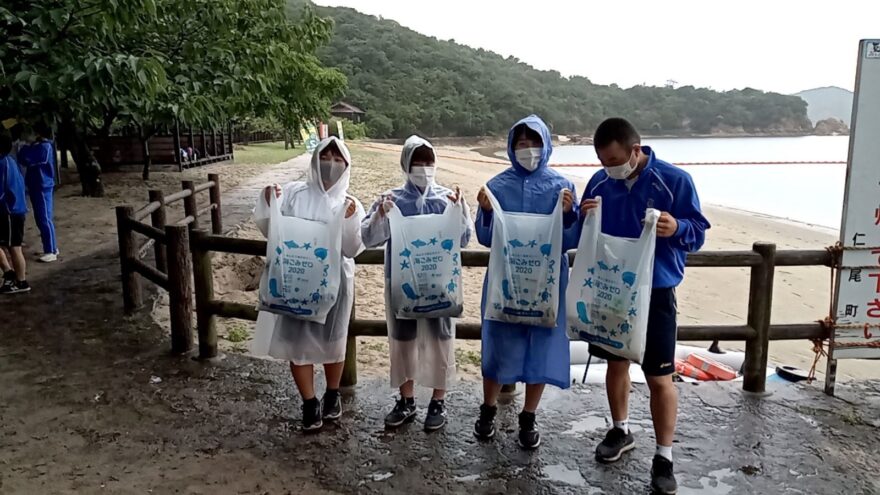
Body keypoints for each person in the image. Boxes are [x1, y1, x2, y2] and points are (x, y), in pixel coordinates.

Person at [580, 118, 710, 494]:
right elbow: (580, 229)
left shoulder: (674, 180)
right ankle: (620, 430)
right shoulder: (602, 181)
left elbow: (698, 232)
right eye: (603, 161)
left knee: (659, 377)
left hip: (656, 291)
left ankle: (664, 456)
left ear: (636, 150)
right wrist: (580, 213)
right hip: (611, 290)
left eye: (616, 160)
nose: (610, 169)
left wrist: (678, 227)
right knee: (615, 364)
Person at [472, 115, 579, 449]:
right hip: (505, 281)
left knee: (541, 347)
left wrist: (571, 214)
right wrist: (487, 211)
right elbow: (485, 237)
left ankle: (529, 416)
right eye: (521, 143)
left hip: (546, 284)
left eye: (534, 142)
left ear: (546, 145)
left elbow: (571, 239)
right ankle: (488, 409)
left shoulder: (562, 187)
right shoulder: (496, 186)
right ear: (511, 146)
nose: (528, 149)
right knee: (497, 345)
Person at [253, 136, 365, 432]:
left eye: (338, 159)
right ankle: (309, 401)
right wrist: (268, 200)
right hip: (295, 280)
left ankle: (332, 393)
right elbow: (271, 229)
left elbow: (353, 248)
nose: (331, 164)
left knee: (334, 340)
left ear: (347, 165)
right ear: (315, 160)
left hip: (335, 284)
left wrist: (351, 221)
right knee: (296, 343)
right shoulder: (292, 194)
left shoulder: (350, 203)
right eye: (325, 157)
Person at [361, 135, 473, 431]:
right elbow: (369, 239)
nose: (424, 168)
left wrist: (459, 210)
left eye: (428, 162)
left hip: (439, 284)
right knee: (403, 341)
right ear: (405, 165)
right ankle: (406, 399)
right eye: (417, 162)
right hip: (403, 285)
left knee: (440, 340)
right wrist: (381, 215)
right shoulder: (391, 198)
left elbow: (463, 239)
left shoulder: (446, 198)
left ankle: (438, 401)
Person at [17, 123, 58, 262]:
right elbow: (22, 158)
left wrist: (25, 150)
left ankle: (50, 250)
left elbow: (30, 160)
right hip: (36, 184)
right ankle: (52, 247)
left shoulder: (45, 146)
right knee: (42, 218)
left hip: (42, 185)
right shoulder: (33, 147)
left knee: (44, 218)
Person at [0, 134, 30, 294]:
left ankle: (21, 282)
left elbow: (2, 192)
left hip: (10, 212)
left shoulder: (3, 163)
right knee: (12, 246)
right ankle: (9, 273)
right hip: (12, 210)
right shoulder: (10, 161)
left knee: (14, 247)